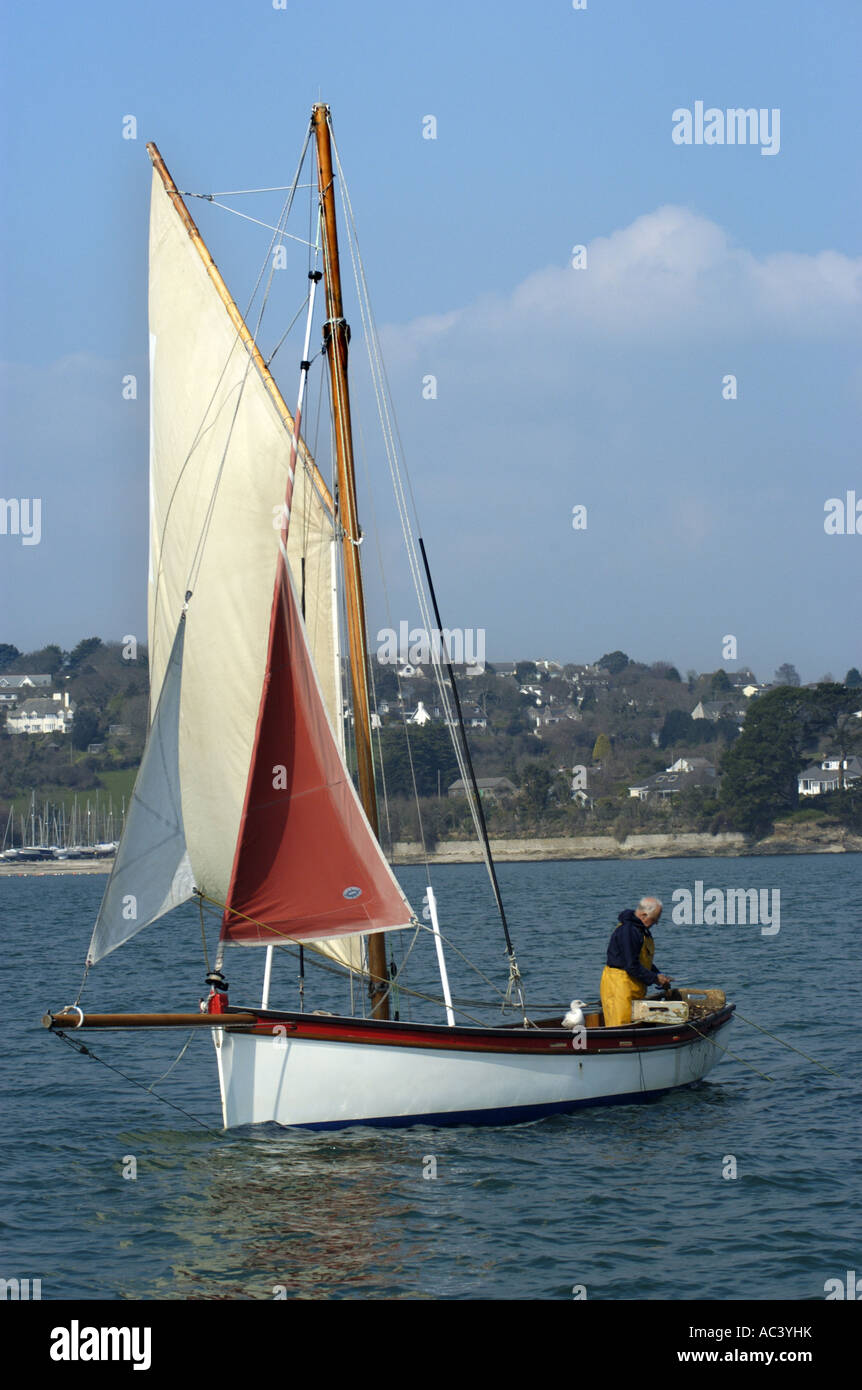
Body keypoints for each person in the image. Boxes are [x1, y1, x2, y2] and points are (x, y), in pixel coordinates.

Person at [600, 896, 672, 1027]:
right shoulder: (628, 931)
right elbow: (631, 965)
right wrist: (655, 978)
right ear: (644, 915)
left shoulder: (641, 931)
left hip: (633, 986)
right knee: (620, 1026)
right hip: (619, 988)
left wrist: (658, 975)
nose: (656, 923)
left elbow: (642, 960)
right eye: (654, 919)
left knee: (634, 1024)